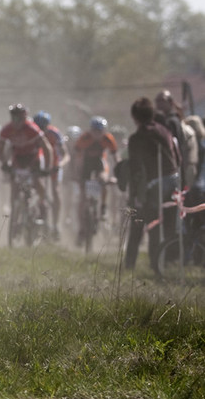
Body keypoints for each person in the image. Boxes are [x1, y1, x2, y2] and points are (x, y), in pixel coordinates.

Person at [124, 97, 180, 272]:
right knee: (160, 224)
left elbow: (135, 169)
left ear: (135, 117)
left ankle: (130, 266)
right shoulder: (164, 130)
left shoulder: (137, 137)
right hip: (173, 179)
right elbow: (177, 156)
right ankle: (158, 264)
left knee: (140, 221)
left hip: (154, 183)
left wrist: (133, 195)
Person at [0, 104, 53, 222]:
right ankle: (15, 213)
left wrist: (47, 168)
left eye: (20, 119)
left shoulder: (32, 128)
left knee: (37, 182)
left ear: (25, 118)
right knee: (15, 187)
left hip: (33, 158)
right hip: (17, 159)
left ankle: (42, 205)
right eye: (14, 119)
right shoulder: (7, 129)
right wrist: (4, 163)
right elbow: (0, 150)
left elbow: (47, 148)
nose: (16, 122)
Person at [73, 116, 119, 244]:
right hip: (86, 164)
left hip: (99, 163)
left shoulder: (108, 139)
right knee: (82, 197)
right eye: (95, 131)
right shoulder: (84, 138)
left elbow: (115, 158)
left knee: (103, 180)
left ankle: (103, 207)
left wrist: (117, 175)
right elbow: (78, 158)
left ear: (104, 131)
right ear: (90, 130)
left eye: (100, 131)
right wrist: (77, 175)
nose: (97, 134)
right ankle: (81, 228)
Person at [32, 111, 70, 239]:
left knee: (55, 190)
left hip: (54, 165)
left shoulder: (54, 133)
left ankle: (55, 224)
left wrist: (60, 165)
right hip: (40, 164)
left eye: (43, 127)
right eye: (38, 127)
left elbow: (66, 154)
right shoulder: (33, 132)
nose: (41, 130)